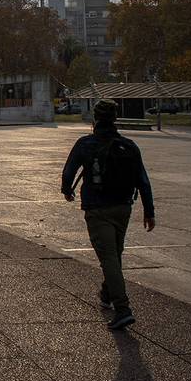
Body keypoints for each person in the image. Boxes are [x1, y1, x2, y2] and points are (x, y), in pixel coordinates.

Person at [61, 99, 156, 331]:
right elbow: (143, 180)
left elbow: (69, 171)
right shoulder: (129, 146)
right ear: (115, 119)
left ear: (94, 119)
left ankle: (123, 309)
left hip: (97, 208)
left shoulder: (85, 144)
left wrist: (67, 191)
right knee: (114, 252)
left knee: (109, 257)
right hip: (123, 206)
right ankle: (106, 293)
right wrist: (149, 211)